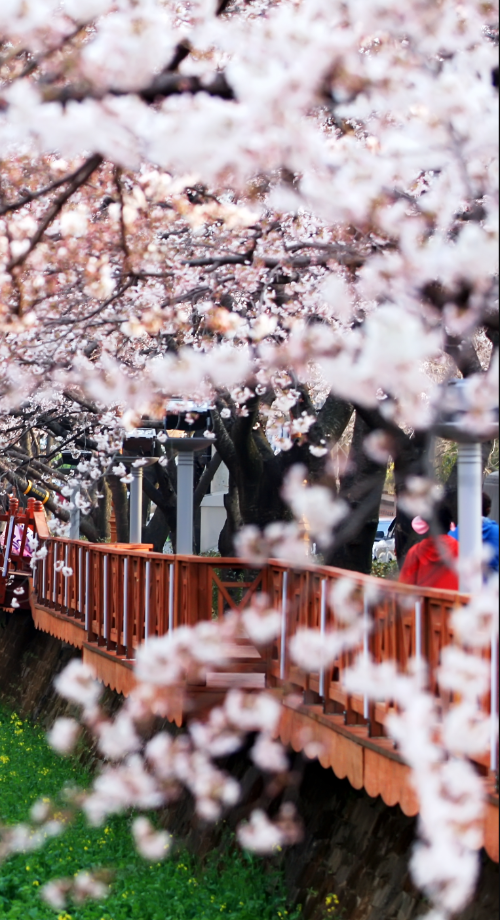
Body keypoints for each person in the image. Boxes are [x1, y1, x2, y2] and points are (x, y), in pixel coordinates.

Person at [399, 505, 459, 590]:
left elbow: (404, 589)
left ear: (426, 525)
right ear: (450, 524)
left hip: (425, 602)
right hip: (456, 602)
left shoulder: (415, 552)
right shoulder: (461, 550)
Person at [448, 491, 499, 574]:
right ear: (488, 509)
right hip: (491, 585)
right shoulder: (496, 531)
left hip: (462, 585)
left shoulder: (455, 533)